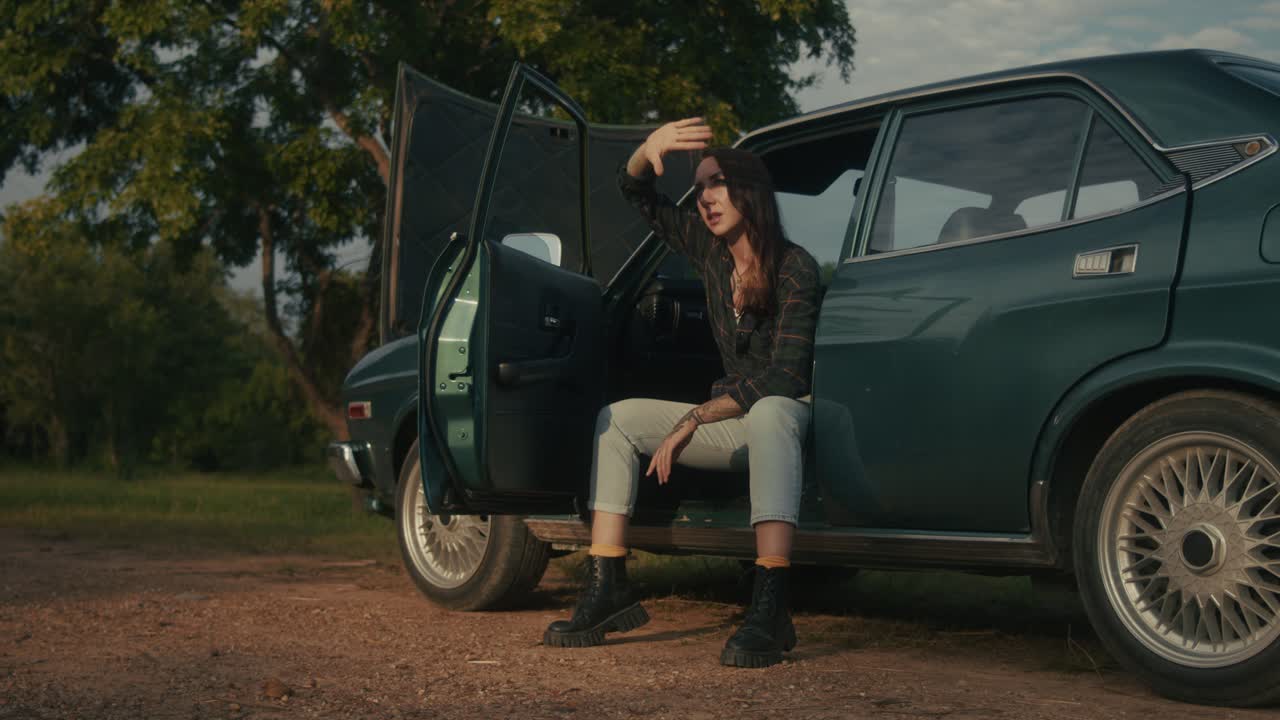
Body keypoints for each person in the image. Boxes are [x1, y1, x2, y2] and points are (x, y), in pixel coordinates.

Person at [543, 118, 821, 668]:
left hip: (788, 418)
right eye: (699, 188)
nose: (705, 198)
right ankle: (608, 585)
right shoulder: (711, 253)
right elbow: (637, 191)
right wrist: (647, 150)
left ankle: (771, 607)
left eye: (718, 183)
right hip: (733, 418)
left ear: (750, 191)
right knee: (617, 419)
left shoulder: (796, 267)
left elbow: (787, 377)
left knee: (769, 412)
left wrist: (694, 418)